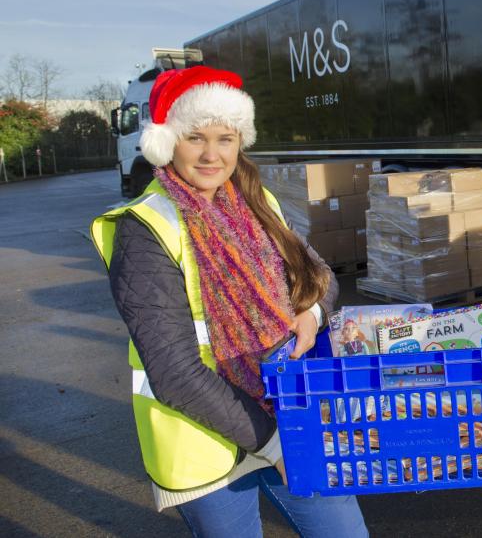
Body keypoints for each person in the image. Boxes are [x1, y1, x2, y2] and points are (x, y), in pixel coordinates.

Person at [91, 66, 368, 537]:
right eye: (195, 137)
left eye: (226, 138)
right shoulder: (145, 229)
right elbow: (175, 373)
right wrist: (277, 444)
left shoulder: (256, 203)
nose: (212, 154)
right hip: (205, 444)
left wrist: (313, 312)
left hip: (288, 414)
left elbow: (320, 276)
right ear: (167, 141)